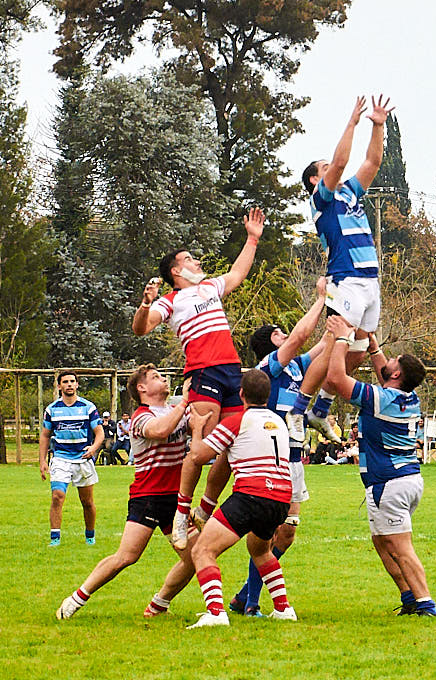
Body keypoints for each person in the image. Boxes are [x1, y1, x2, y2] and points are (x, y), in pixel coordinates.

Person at [132, 207, 265, 549]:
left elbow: (236, 274)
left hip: (231, 371)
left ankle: (204, 508)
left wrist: (252, 238)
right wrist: (145, 305)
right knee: (202, 449)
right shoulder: (171, 300)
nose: (197, 261)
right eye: (189, 259)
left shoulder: (209, 287)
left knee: (230, 443)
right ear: (176, 271)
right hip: (203, 372)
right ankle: (181, 512)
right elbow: (141, 329)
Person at [55, 366, 200, 620]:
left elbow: (199, 427)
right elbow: (160, 431)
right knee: (126, 557)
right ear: (141, 389)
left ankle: (159, 604)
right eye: (156, 377)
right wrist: (186, 401)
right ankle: (76, 598)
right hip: (148, 498)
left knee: (197, 556)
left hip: (176, 497)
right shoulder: (140, 417)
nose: (163, 379)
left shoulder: (177, 410)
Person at [290, 95, 394, 444]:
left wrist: (377, 125)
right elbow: (340, 161)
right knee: (337, 340)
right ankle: (297, 409)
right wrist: (351, 123)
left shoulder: (350, 194)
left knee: (359, 349)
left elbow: (373, 160)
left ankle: (321, 408)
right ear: (314, 181)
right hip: (345, 278)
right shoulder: (321, 199)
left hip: (370, 280)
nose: (332, 169)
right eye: (323, 169)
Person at [324, 314, 436, 616]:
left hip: (390, 484)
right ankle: (409, 597)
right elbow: (384, 373)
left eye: (394, 360)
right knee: (381, 541)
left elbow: (336, 379)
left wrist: (340, 338)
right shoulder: (406, 396)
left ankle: (426, 602)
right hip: (404, 481)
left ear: (397, 372)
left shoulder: (383, 398)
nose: (389, 360)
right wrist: (373, 346)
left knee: (400, 546)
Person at [227, 284, 327, 617]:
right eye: (280, 333)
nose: (287, 335)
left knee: (287, 534)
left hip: (295, 459)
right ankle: (252, 601)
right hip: (274, 461)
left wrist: (345, 317)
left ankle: (244, 595)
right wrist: (321, 299)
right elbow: (300, 335)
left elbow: (326, 345)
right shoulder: (269, 365)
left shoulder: (297, 365)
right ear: (272, 341)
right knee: (266, 534)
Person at [185, 369, 298, 628]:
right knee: (260, 550)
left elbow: (199, 457)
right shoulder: (279, 422)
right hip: (281, 498)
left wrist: (197, 430)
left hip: (252, 494)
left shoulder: (238, 421)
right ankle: (283, 609)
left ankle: (215, 613)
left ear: (241, 394)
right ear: (268, 396)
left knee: (203, 550)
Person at [39, 372, 105, 546]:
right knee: (57, 496)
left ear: (77, 385)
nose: (69, 384)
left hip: (82, 459)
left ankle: (90, 536)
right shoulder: (52, 409)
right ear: (59, 386)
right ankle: (55, 539)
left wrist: (93, 448)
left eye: (72, 381)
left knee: (87, 502)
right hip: (61, 458)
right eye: (65, 382)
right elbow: (45, 435)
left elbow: (100, 433)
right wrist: (42, 461)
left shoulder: (88, 407)